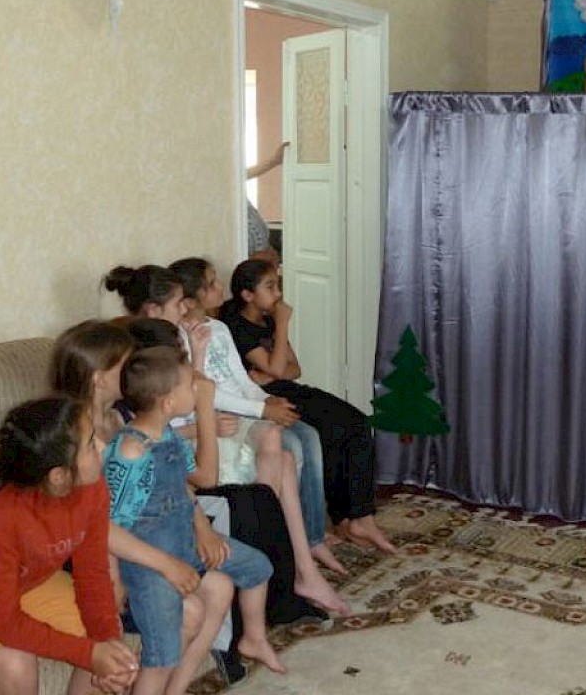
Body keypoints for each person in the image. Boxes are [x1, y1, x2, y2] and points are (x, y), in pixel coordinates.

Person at [103, 265, 345, 576]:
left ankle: (296, 557)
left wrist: (204, 360)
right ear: (153, 309)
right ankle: (278, 549)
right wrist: (212, 421)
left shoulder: (180, 337)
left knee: (289, 447)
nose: (185, 308)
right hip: (197, 442)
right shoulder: (150, 356)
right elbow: (173, 425)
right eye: (178, 303)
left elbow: (193, 393)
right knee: (282, 451)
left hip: (200, 432)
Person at [47, 320, 235, 679]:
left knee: (221, 586)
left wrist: (200, 525)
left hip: (141, 543)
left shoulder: (120, 419)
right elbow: (98, 522)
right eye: (125, 363)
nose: (135, 368)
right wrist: (118, 577)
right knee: (191, 610)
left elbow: (170, 480)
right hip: (97, 556)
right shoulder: (77, 437)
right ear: (99, 378)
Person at [0, 397, 140, 695]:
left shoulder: (92, 489)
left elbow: (93, 575)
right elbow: (3, 622)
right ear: (59, 476)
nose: (102, 446)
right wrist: (88, 654)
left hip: (26, 584)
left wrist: (107, 644)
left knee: (112, 648)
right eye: (91, 444)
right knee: (16, 666)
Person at [169, 257, 350, 614]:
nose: (220, 287)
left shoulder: (218, 328)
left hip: (239, 413)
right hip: (214, 421)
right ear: (188, 300)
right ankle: (290, 560)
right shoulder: (177, 338)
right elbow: (205, 393)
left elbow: (239, 380)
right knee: (280, 449)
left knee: (285, 446)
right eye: (212, 283)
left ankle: (299, 564)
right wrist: (261, 410)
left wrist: (266, 401)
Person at [105, 346, 285, 694]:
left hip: (185, 543)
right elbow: (110, 528)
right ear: (168, 403)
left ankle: (254, 638)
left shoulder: (167, 435)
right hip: (150, 567)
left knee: (257, 567)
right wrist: (156, 570)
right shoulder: (131, 451)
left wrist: (203, 527)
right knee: (161, 658)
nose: (199, 386)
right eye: (191, 384)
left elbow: (191, 483)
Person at [220, 260, 398, 555]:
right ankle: (347, 519)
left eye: (277, 286)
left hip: (286, 388)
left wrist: (270, 371)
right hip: (266, 399)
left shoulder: (266, 321)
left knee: (356, 422)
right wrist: (282, 326)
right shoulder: (238, 327)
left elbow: (294, 368)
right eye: (270, 287)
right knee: (333, 430)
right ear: (247, 295)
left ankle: (358, 517)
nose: (278, 294)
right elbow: (280, 367)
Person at [246, 142, 287, 265]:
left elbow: (245, 173)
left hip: (262, 253)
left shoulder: (233, 178)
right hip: (256, 260)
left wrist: (275, 160)